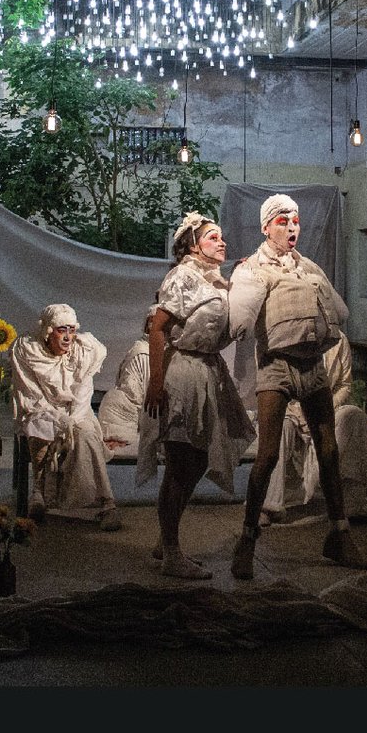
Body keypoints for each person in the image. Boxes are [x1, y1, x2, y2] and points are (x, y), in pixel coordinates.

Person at [227, 194, 367, 577]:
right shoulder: (253, 267)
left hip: (312, 366)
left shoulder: (308, 267)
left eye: (296, 221)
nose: (292, 227)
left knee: (329, 449)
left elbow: (338, 311)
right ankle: (247, 539)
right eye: (283, 221)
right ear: (266, 227)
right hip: (276, 367)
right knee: (267, 455)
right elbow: (239, 321)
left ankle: (340, 534)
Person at [140, 212, 256, 579]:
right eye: (212, 237)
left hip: (207, 370)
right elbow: (157, 329)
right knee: (181, 463)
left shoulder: (215, 280)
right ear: (193, 246)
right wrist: (156, 382)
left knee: (197, 459)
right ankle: (172, 552)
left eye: (221, 236)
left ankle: (166, 540)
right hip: (184, 373)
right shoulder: (183, 276)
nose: (222, 242)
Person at [262, 333, 367, 525]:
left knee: (354, 417)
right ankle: (269, 505)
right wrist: (300, 410)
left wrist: (325, 407)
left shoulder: (339, 339)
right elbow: (276, 386)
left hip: (327, 408)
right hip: (292, 409)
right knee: (283, 425)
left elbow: (344, 385)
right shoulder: (289, 333)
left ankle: (353, 503)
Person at [7, 303, 122, 531]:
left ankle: (107, 503)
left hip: (76, 409)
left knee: (87, 435)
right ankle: (39, 492)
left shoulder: (85, 351)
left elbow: (83, 393)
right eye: (62, 331)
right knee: (40, 428)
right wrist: (56, 420)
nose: (68, 337)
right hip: (41, 407)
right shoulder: (28, 351)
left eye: (72, 330)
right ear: (48, 332)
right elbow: (30, 394)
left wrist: (70, 422)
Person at [98, 335, 151, 450]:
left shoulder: (141, 350)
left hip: (122, 410)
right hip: (122, 413)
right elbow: (146, 401)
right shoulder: (143, 353)